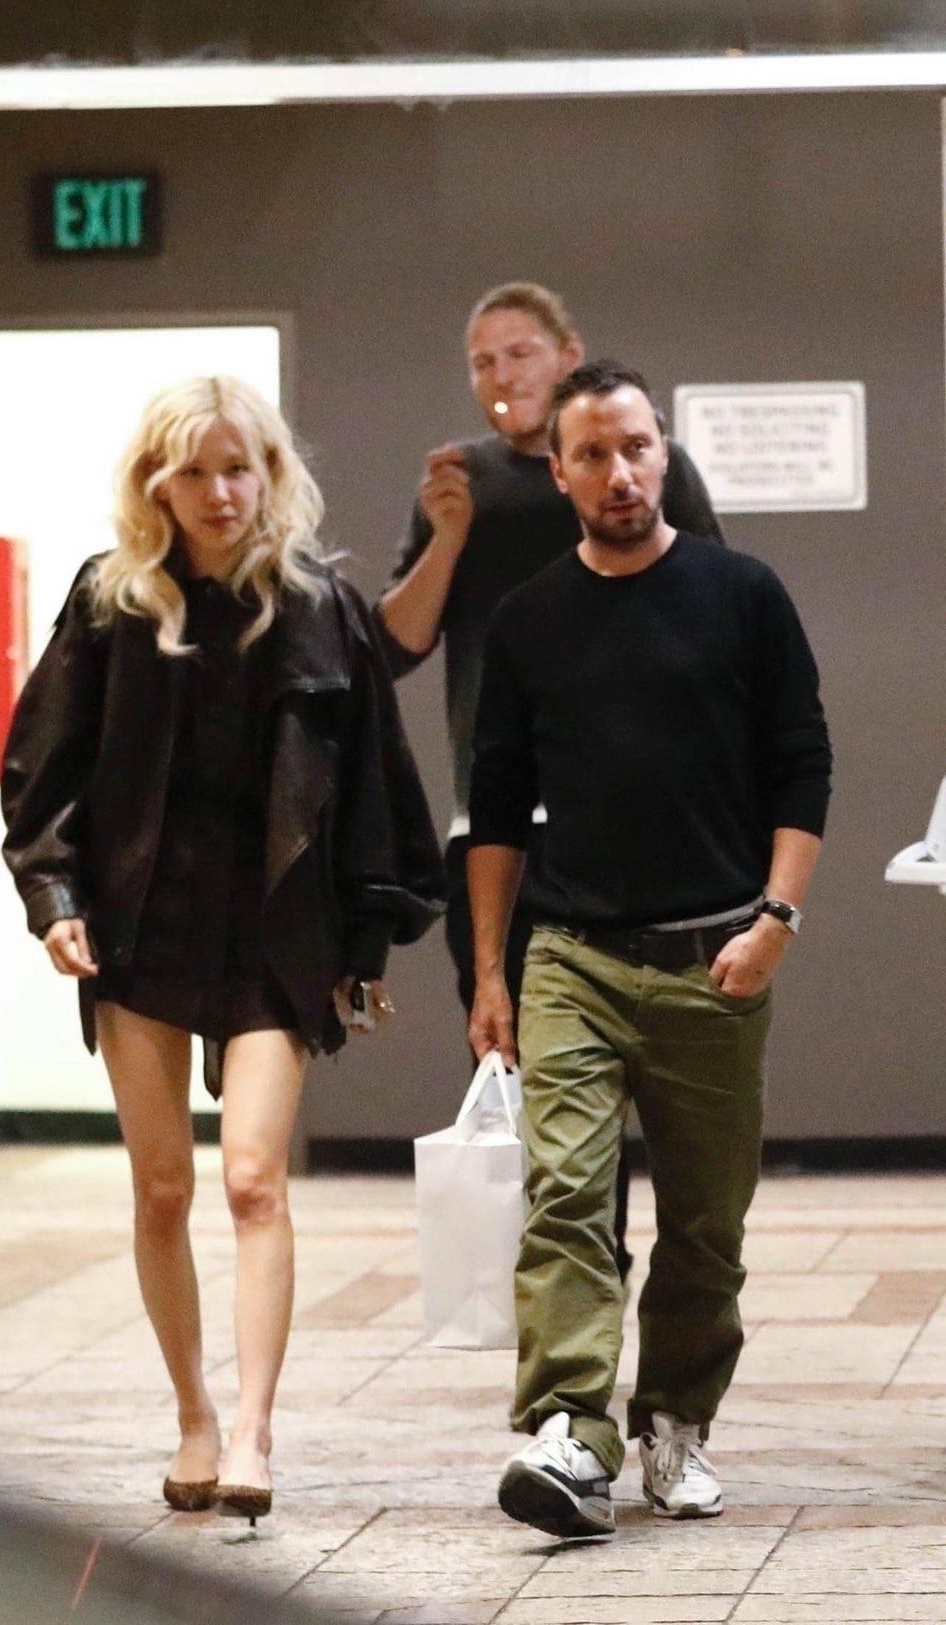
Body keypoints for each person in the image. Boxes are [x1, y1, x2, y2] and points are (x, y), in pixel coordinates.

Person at [1, 376, 444, 1523]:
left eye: (238, 466)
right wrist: (52, 894)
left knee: (253, 1177)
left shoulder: (319, 605)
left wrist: (367, 936)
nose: (219, 491)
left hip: (274, 933)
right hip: (139, 925)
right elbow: (42, 764)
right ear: (157, 482)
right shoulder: (109, 601)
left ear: (271, 472)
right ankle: (193, 1412)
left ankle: (252, 1428)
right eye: (193, 470)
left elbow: (377, 783)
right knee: (161, 1186)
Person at [468, 360, 831, 1539]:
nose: (618, 472)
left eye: (635, 447)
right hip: (571, 953)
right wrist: (490, 971)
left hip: (716, 954)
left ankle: (676, 1419)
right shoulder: (528, 619)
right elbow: (493, 807)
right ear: (560, 471)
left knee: (705, 1220)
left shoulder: (742, 593)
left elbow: (803, 764)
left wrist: (775, 921)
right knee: (566, 1192)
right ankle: (572, 1429)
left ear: (663, 450)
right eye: (592, 454)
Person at [377, 283, 722, 1281]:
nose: (501, 376)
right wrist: (448, 533)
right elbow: (392, 645)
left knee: (637, 1067)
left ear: (568, 355)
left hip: (628, 819)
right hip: (492, 824)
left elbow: (713, 608)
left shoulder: (639, 471)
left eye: (520, 353)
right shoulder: (460, 480)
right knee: (520, 1058)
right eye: (482, 361)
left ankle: (619, 1268)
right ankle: (567, 1277)